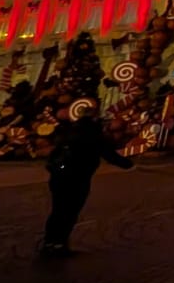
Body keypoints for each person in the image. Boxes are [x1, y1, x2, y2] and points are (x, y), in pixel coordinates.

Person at [40, 109, 134, 256]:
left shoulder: (69, 130)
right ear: (95, 119)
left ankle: (49, 242)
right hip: (78, 177)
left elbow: (55, 151)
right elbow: (109, 155)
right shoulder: (93, 134)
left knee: (58, 210)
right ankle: (59, 244)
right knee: (70, 211)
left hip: (58, 175)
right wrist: (129, 165)